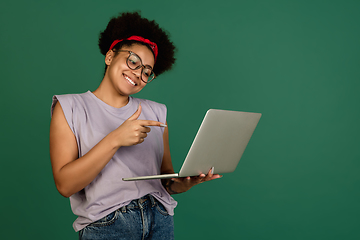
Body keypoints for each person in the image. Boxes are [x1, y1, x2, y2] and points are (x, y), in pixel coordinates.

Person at [49, 11, 221, 240]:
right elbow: (65, 185)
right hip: (108, 225)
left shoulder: (157, 111)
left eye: (147, 71)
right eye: (133, 61)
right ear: (110, 56)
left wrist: (184, 183)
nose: (138, 74)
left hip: (159, 219)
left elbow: (166, 181)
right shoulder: (70, 107)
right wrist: (115, 139)